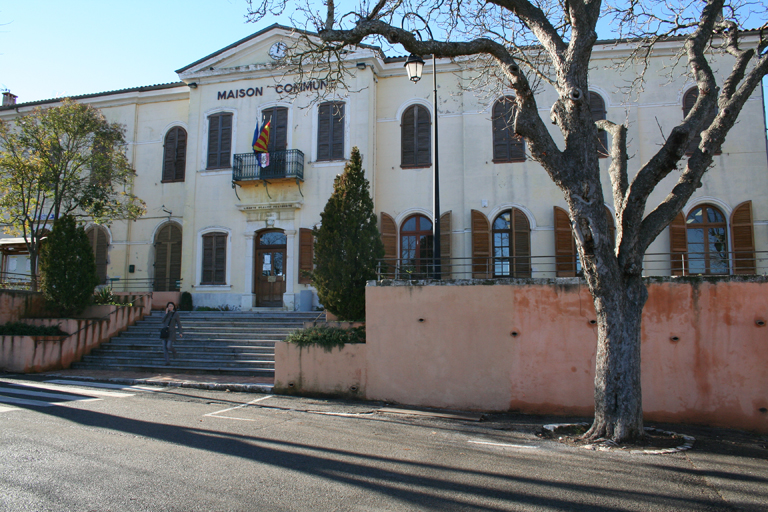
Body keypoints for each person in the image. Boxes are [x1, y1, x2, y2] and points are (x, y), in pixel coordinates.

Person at [160, 301, 183, 366]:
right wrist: (166, 313)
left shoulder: (175, 314)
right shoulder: (166, 314)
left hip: (171, 332)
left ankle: (174, 351)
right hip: (164, 332)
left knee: (169, 346)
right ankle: (167, 361)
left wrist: (180, 332)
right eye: (169, 306)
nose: (170, 307)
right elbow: (162, 320)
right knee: (164, 348)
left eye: (172, 306)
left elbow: (179, 323)